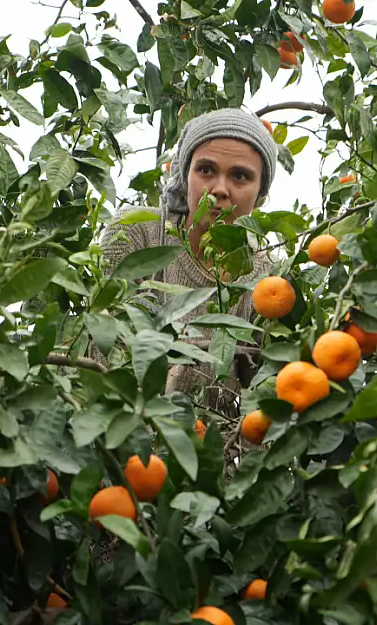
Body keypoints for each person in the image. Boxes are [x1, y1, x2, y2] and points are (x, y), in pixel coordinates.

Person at [96, 108, 280, 418]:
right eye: (206, 170)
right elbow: (104, 353)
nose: (220, 189)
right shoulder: (137, 233)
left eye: (240, 175)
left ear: (260, 193)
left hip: (204, 453)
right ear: (185, 177)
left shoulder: (267, 280)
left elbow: (260, 407)